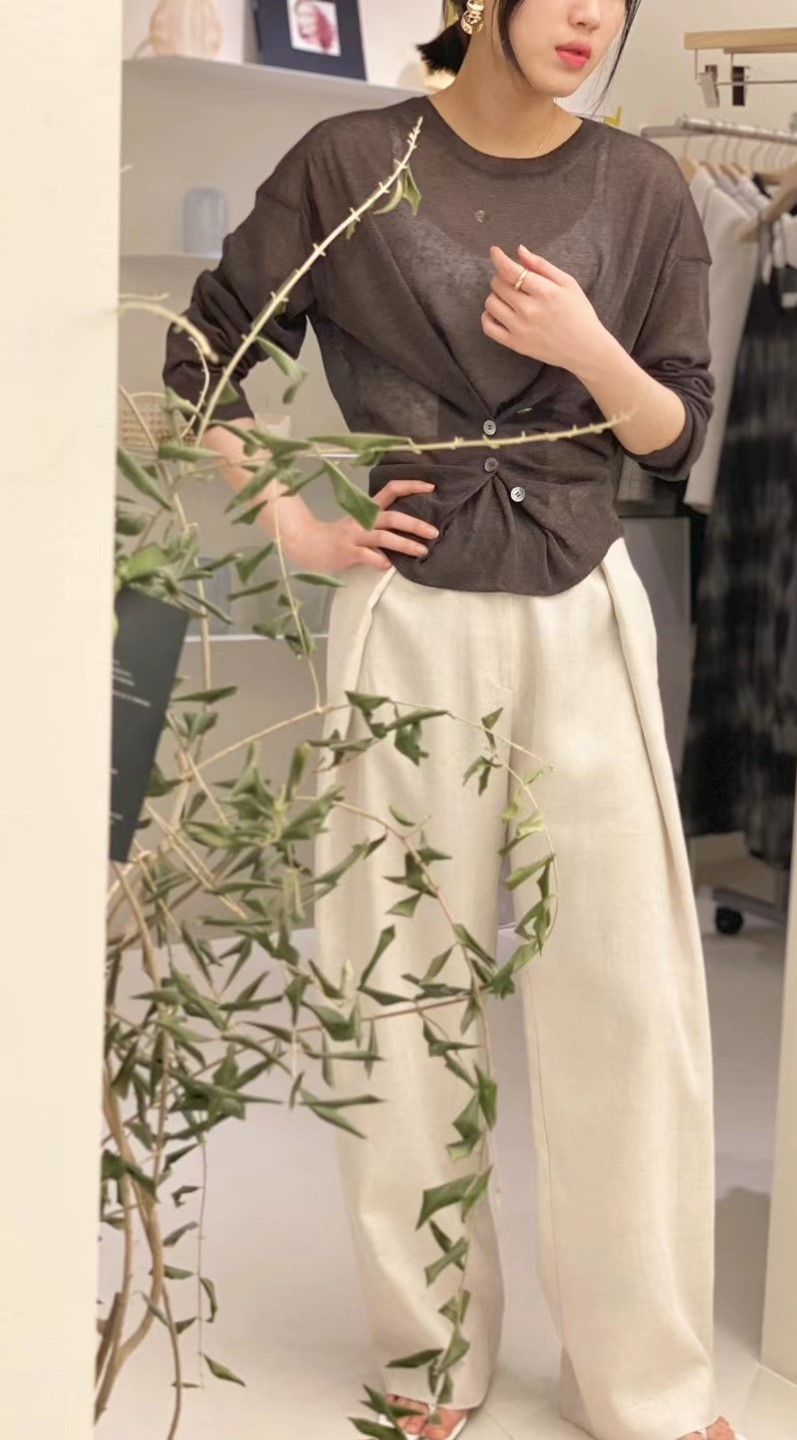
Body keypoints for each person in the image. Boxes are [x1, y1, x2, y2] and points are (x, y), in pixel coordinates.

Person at [162, 3, 730, 1439]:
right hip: (408, 613)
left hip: (584, 612)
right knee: (398, 987)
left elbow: (678, 429)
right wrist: (292, 519)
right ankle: (432, 1357)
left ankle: (646, 1382)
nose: (593, 16)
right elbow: (204, 355)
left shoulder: (645, 185)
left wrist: (589, 346)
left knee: (628, 998)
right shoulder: (352, 161)